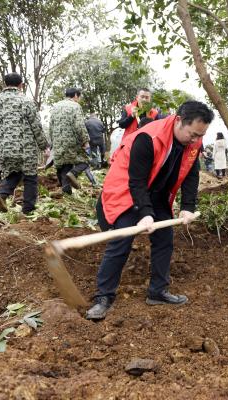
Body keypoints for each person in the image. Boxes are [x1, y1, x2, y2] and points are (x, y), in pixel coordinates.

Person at [85, 100, 214, 320]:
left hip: (158, 194)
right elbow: (136, 181)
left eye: (200, 136)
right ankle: (103, 297)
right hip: (128, 191)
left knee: (165, 239)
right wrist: (144, 213)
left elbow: (191, 174)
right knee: (122, 240)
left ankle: (157, 291)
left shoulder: (192, 143)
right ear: (179, 121)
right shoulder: (148, 138)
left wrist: (187, 207)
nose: (196, 140)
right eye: (193, 134)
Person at [0, 72, 49, 214]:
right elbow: (36, 126)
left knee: (13, 174)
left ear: (5, 84)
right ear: (21, 85)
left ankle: (1, 194)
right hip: (25, 148)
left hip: (3, 148)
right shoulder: (26, 101)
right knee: (30, 177)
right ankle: (28, 210)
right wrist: (44, 145)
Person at [49, 88, 91, 194]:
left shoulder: (56, 106)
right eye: (79, 97)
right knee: (85, 161)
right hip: (71, 141)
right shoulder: (75, 106)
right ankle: (73, 173)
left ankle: (66, 192)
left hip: (57, 142)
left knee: (63, 167)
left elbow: (51, 126)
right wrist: (85, 141)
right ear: (76, 95)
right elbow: (79, 125)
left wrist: (52, 143)